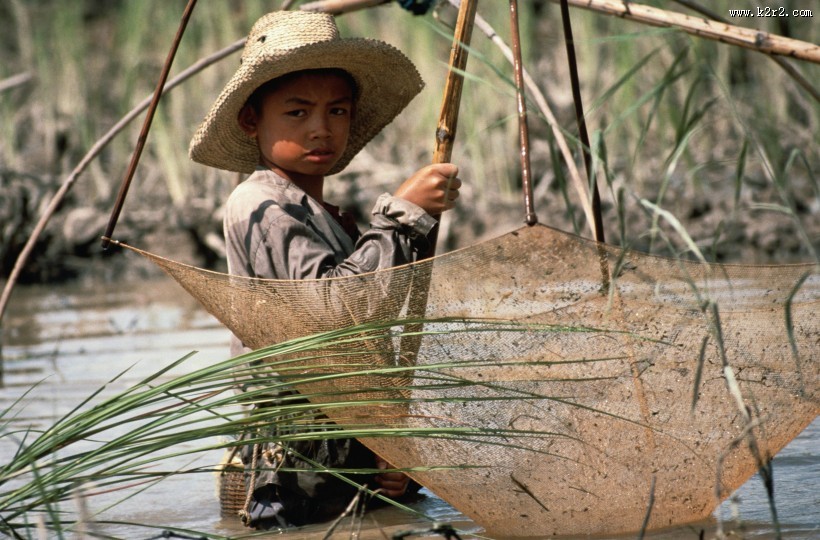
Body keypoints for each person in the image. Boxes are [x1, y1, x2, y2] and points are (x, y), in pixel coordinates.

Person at [187, 10, 462, 529]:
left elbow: (365, 343)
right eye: (297, 113)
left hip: (346, 457)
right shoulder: (259, 205)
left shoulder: (327, 216)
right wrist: (401, 215)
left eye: (337, 111)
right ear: (252, 120)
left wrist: (388, 447)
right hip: (294, 471)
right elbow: (333, 312)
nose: (321, 129)